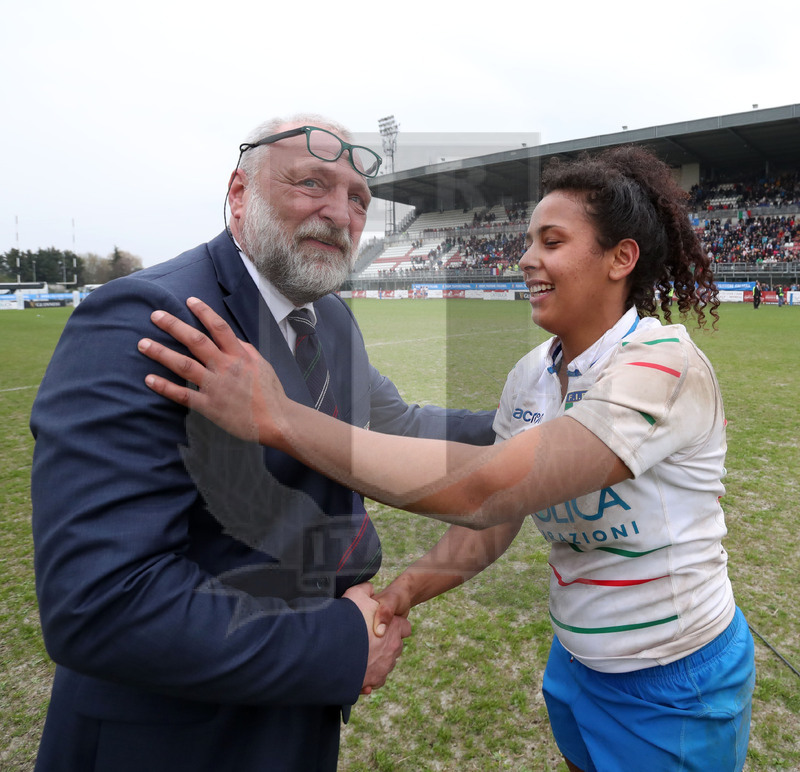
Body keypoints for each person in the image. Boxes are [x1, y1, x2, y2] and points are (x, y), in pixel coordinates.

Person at [139, 146, 755, 772]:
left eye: (552, 241)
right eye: (528, 241)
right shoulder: (530, 376)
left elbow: (485, 491)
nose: (526, 259)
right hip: (577, 658)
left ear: (620, 258)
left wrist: (279, 418)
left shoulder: (663, 366)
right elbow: (497, 522)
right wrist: (406, 590)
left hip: (675, 675)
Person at [29, 114, 496, 772]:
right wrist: (339, 644)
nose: (340, 212)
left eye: (359, 198)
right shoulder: (146, 317)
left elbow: (399, 423)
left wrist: (540, 416)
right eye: (312, 184)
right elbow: (102, 604)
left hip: (295, 726)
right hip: (171, 742)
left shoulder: (330, 318)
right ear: (240, 193)